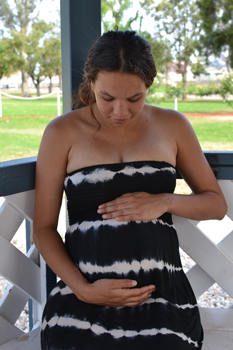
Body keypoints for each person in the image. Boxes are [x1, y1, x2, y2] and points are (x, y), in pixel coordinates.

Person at [33, 29, 227, 350]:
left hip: (161, 295)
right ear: (91, 81)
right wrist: (83, 289)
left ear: (148, 86)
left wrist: (164, 201)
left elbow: (216, 205)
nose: (120, 112)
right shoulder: (61, 132)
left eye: (134, 98)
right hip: (84, 296)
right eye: (107, 98)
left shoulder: (173, 126)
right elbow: (42, 229)